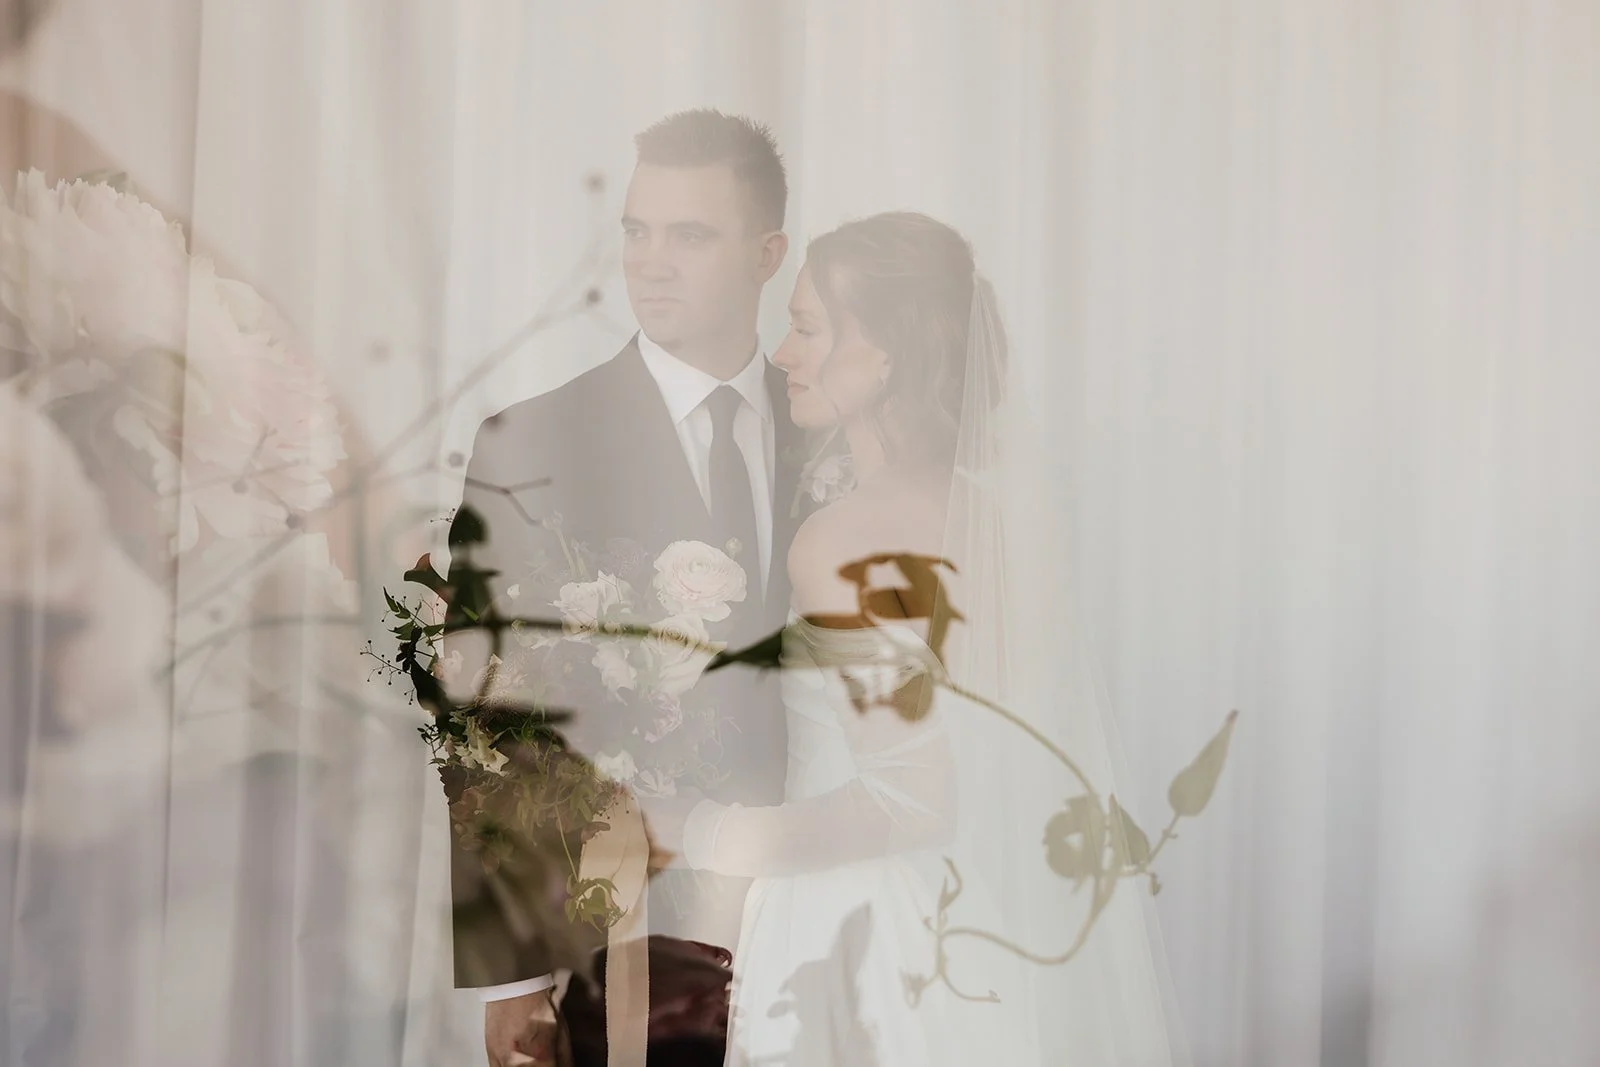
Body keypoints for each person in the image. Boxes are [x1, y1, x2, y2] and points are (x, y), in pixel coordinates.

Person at [444, 108, 801, 1066]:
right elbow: (489, 709)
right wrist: (518, 976)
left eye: (690, 235)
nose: (651, 261)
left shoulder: (834, 446)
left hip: (818, 918)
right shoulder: (532, 444)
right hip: (626, 941)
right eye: (637, 231)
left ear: (768, 254)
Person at [645, 211, 1041, 1065]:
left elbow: (910, 799)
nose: (782, 351)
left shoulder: (843, 537)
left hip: (856, 933)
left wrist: (679, 828)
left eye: (808, 326)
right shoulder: (984, 516)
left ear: (888, 355)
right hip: (968, 921)